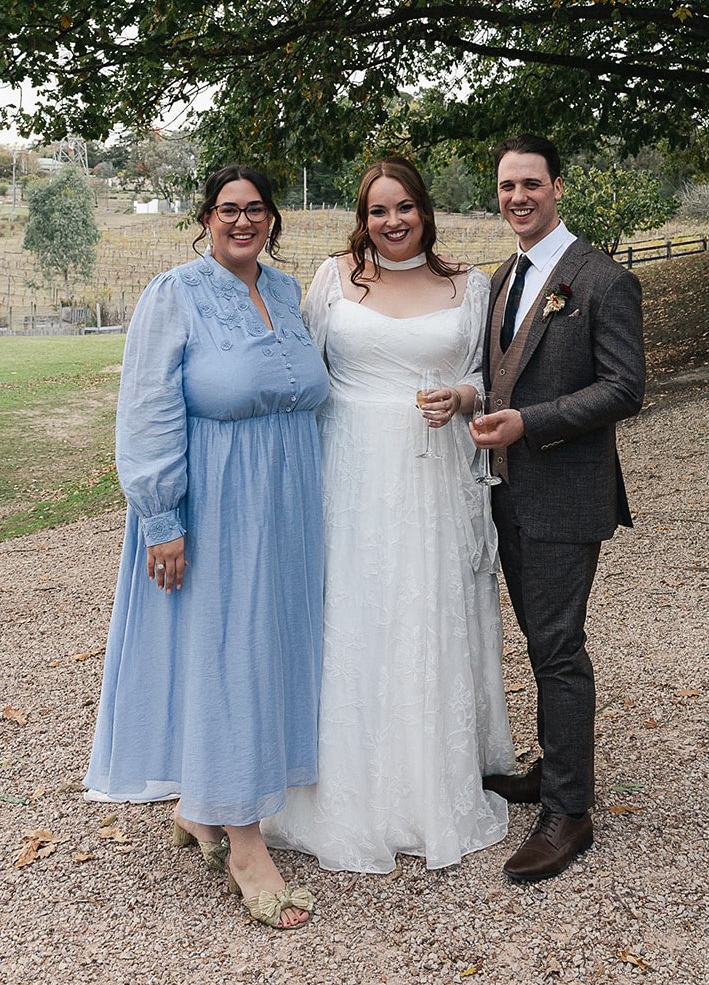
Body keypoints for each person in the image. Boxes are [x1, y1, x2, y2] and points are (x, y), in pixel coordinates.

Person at [84, 166, 329, 929]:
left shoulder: (288, 294)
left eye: (256, 209)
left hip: (286, 502)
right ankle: (244, 843)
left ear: (273, 220)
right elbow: (147, 404)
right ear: (206, 218)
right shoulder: (174, 294)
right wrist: (162, 517)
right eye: (229, 209)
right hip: (216, 503)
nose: (243, 220)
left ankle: (198, 808)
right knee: (229, 658)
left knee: (270, 650)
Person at [263, 157, 515, 872]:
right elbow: (303, 373)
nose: (393, 221)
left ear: (425, 210)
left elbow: (485, 375)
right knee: (353, 614)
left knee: (424, 614)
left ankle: (426, 789)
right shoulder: (334, 280)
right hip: (348, 472)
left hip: (433, 477)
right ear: (362, 218)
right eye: (378, 211)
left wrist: (463, 398)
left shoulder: (470, 283)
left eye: (404, 207)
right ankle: (337, 792)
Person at [472, 135, 645, 883]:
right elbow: (502, 374)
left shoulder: (601, 278)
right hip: (507, 492)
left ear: (558, 187)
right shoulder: (506, 275)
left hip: (565, 495)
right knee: (540, 640)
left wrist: (528, 425)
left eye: (531, 185)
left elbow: (624, 387)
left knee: (558, 648)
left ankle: (569, 811)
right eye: (507, 186)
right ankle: (553, 768)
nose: (518, 198)